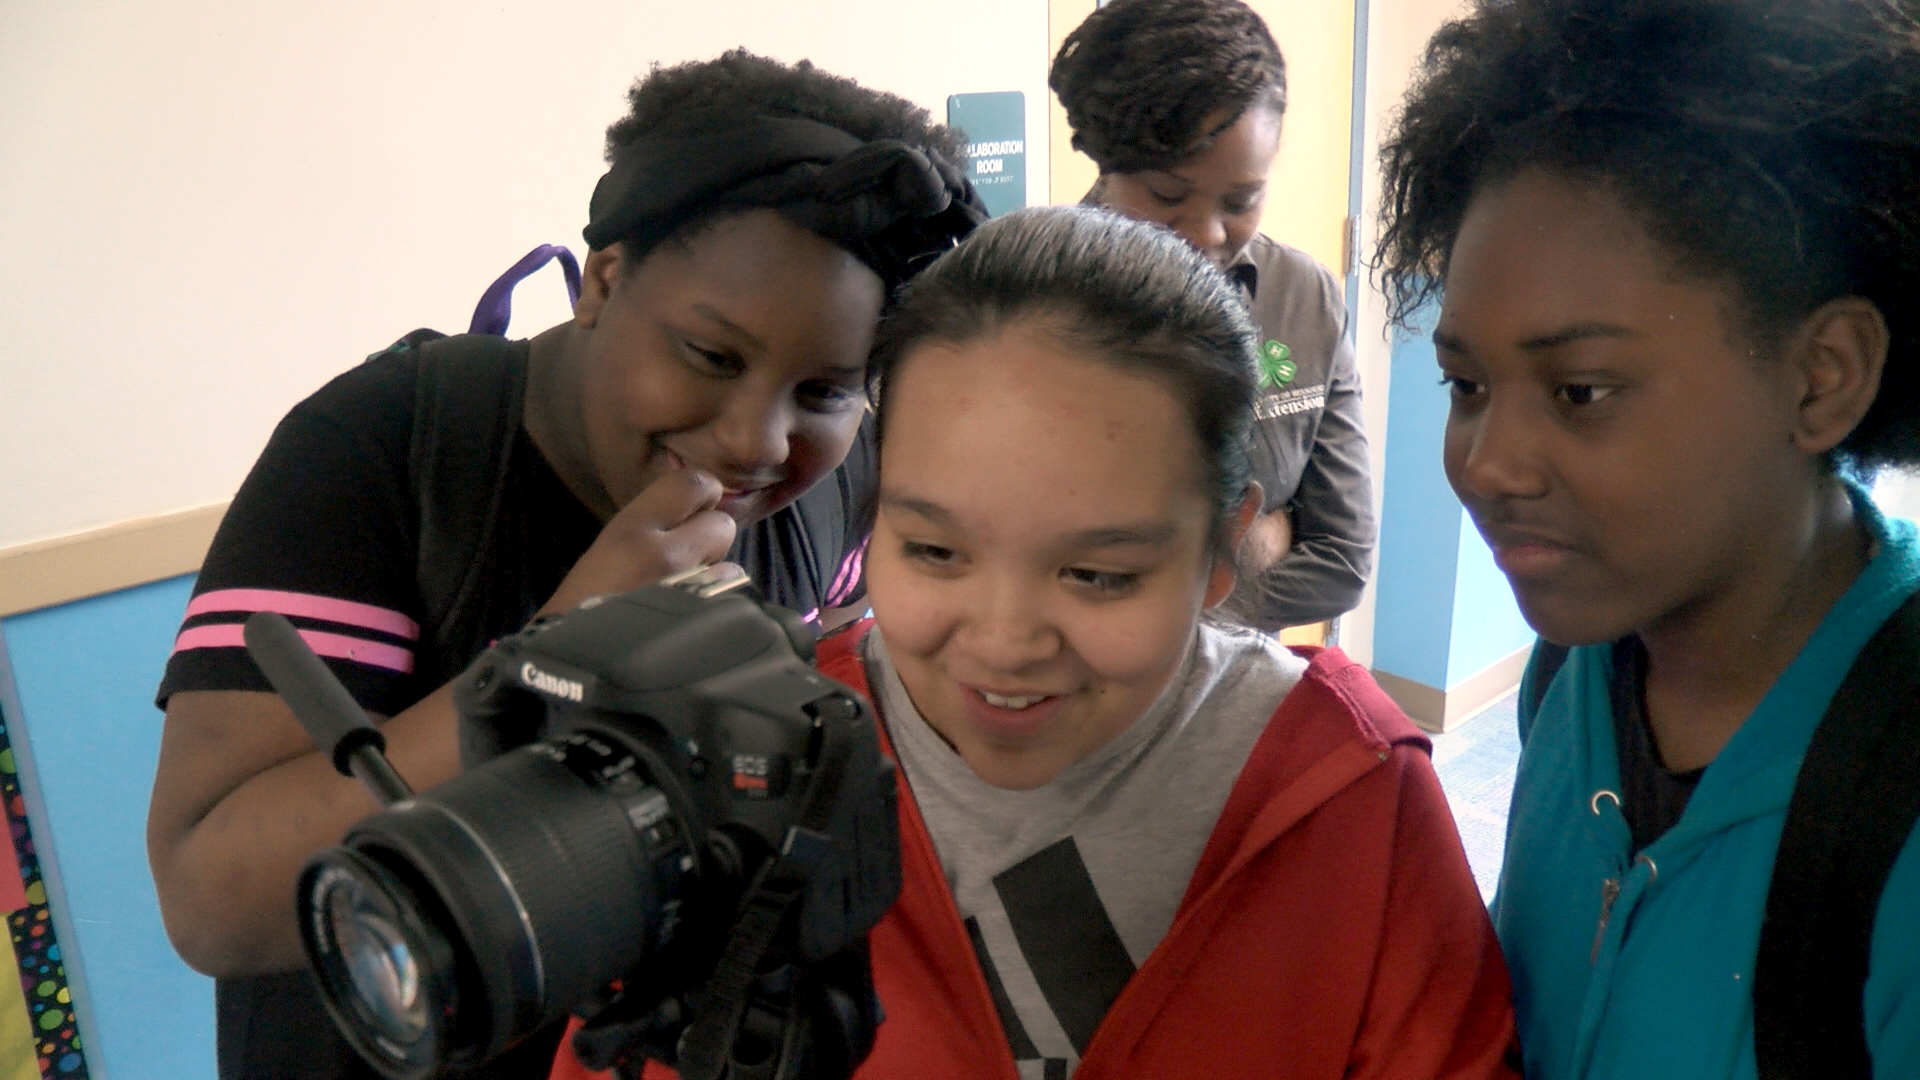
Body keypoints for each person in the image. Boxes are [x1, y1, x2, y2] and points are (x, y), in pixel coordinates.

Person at [144, 50, 982, 1080]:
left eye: (825, 392)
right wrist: (558, 647)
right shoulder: (384, 457)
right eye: (711, 356)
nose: (757, 442)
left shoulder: (837, 497)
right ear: (606, 280)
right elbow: (207, 900)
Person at [553, 206, 1515, 1080]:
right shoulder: (755, 764)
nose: (1004, 642)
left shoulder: (1352, 795)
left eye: (1099, 574)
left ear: (1222, 550)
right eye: (934, 550)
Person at [1373, 0, 1920, 1076]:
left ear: (1822, 377)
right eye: (1466, 384)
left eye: (1581, 390)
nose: (1485, 463)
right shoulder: (1574, 676)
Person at [1049, 0, 1375, 632]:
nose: (1204, 232)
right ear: (1107, 166)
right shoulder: (1024, 295)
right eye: (1167, 195)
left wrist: (1174, 605)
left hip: (1238, 698)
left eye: (1241, 200)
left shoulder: (1302, 299)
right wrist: (1252, 547)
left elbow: (1342, 561)